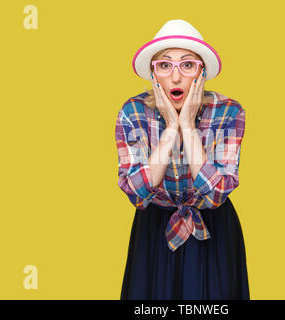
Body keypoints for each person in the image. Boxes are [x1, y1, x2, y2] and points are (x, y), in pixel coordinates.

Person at [116, 19, 249, 299]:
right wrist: (170, 127)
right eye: (165, 65)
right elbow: (137, 193)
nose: (176, 78)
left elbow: (215, 194)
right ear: (153, 74)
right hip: (154, 231)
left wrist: (188, 127)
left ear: (201, 73)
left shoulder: (229, 112)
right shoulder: (133, 112)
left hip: (215, 230)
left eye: (187, 65)